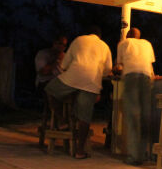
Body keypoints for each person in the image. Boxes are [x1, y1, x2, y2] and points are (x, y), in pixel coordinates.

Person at [45, 26, 112, 159]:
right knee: (85, 118)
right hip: (92, 82)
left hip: (73, 77)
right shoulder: (105, 46)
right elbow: (107, 69)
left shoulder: (78, 40)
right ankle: (79, 151)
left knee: (50, 90)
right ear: (99, 36)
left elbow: (64, 65)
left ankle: (62, 120)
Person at [116, 27, 155, 166]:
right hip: (146, 78)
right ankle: (143, 154)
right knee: (145, 117)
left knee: (132, 117)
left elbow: (119, 66)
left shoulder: (123, 43)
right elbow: (150, 67)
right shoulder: (147, 44)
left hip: (131, 77)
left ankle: (133, 156)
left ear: (127, 35)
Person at [35, 36, 68, 120]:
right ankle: (60, 118)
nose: (62, 47)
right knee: (53, 89)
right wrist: (57, 60)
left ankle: (73, 120)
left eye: (64, 45)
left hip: (61, 83)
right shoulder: (43, 54)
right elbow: (43, 72)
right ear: (54, 43)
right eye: (60, 44)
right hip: (45, 82)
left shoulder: (66, 56)